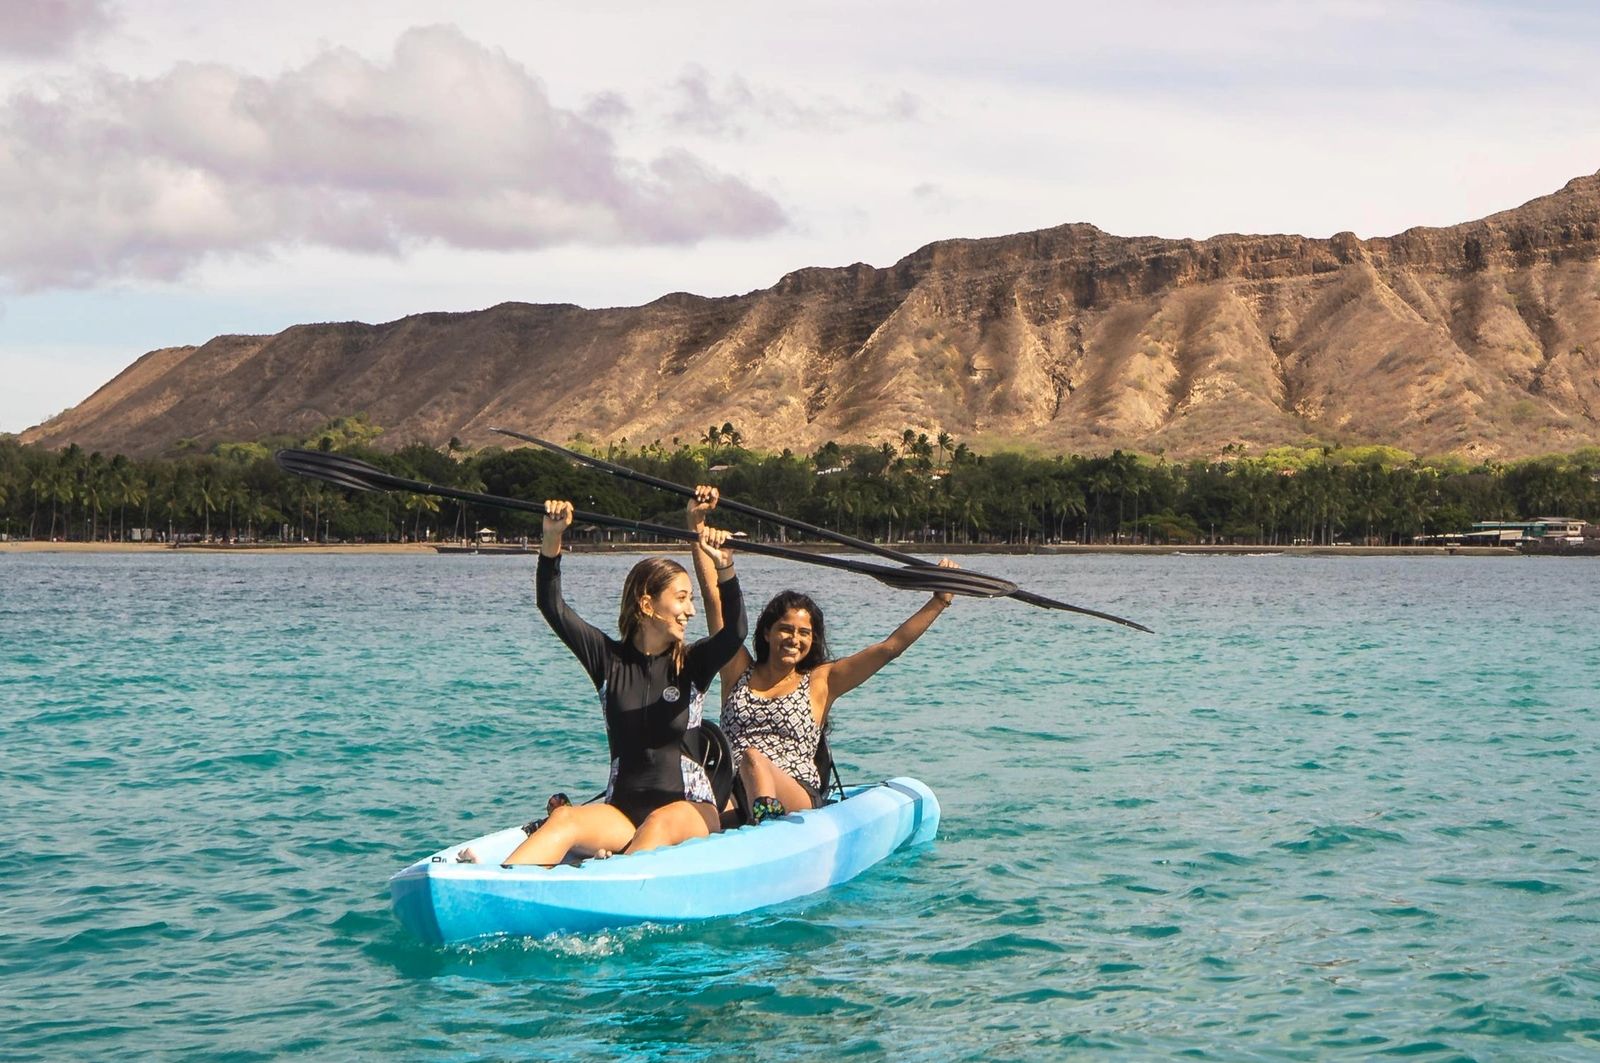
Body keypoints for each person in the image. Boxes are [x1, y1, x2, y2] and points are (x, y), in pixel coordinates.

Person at [461, 498, 747, 865]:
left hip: (688, 809)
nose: (690, 610)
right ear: (647, 605)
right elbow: (552, 606)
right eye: (681, 599)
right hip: (623, 813)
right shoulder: (607, 660)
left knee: (658, 824)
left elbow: (736, 631)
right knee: (564, 818)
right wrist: (551, 538)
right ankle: (502, 883)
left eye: (691, 600)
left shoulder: (693, 663)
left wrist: (725, 567)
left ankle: (609, 876)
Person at [687, 486, 955, 823]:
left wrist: (939, 600)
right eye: (785, 629)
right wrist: (697, 527)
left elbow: (889, 648)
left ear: (813, 641)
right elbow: (715, 601)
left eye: (804, 633)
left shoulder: (821, 681)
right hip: (731, 789)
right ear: (767, 632)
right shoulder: (737, 670)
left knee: (754, 759)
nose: (793, 639)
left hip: (794, 792)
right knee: (694, 816)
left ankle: (768, 827)